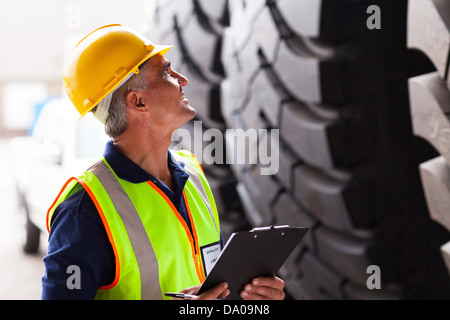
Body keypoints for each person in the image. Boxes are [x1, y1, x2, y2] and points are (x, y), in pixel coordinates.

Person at [41, 24, 285, 300]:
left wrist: (246, 298)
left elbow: (206, 287)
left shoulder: (192, 174)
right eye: (166, 72)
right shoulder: (84, 210)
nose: (182, 79)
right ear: (138, 102)